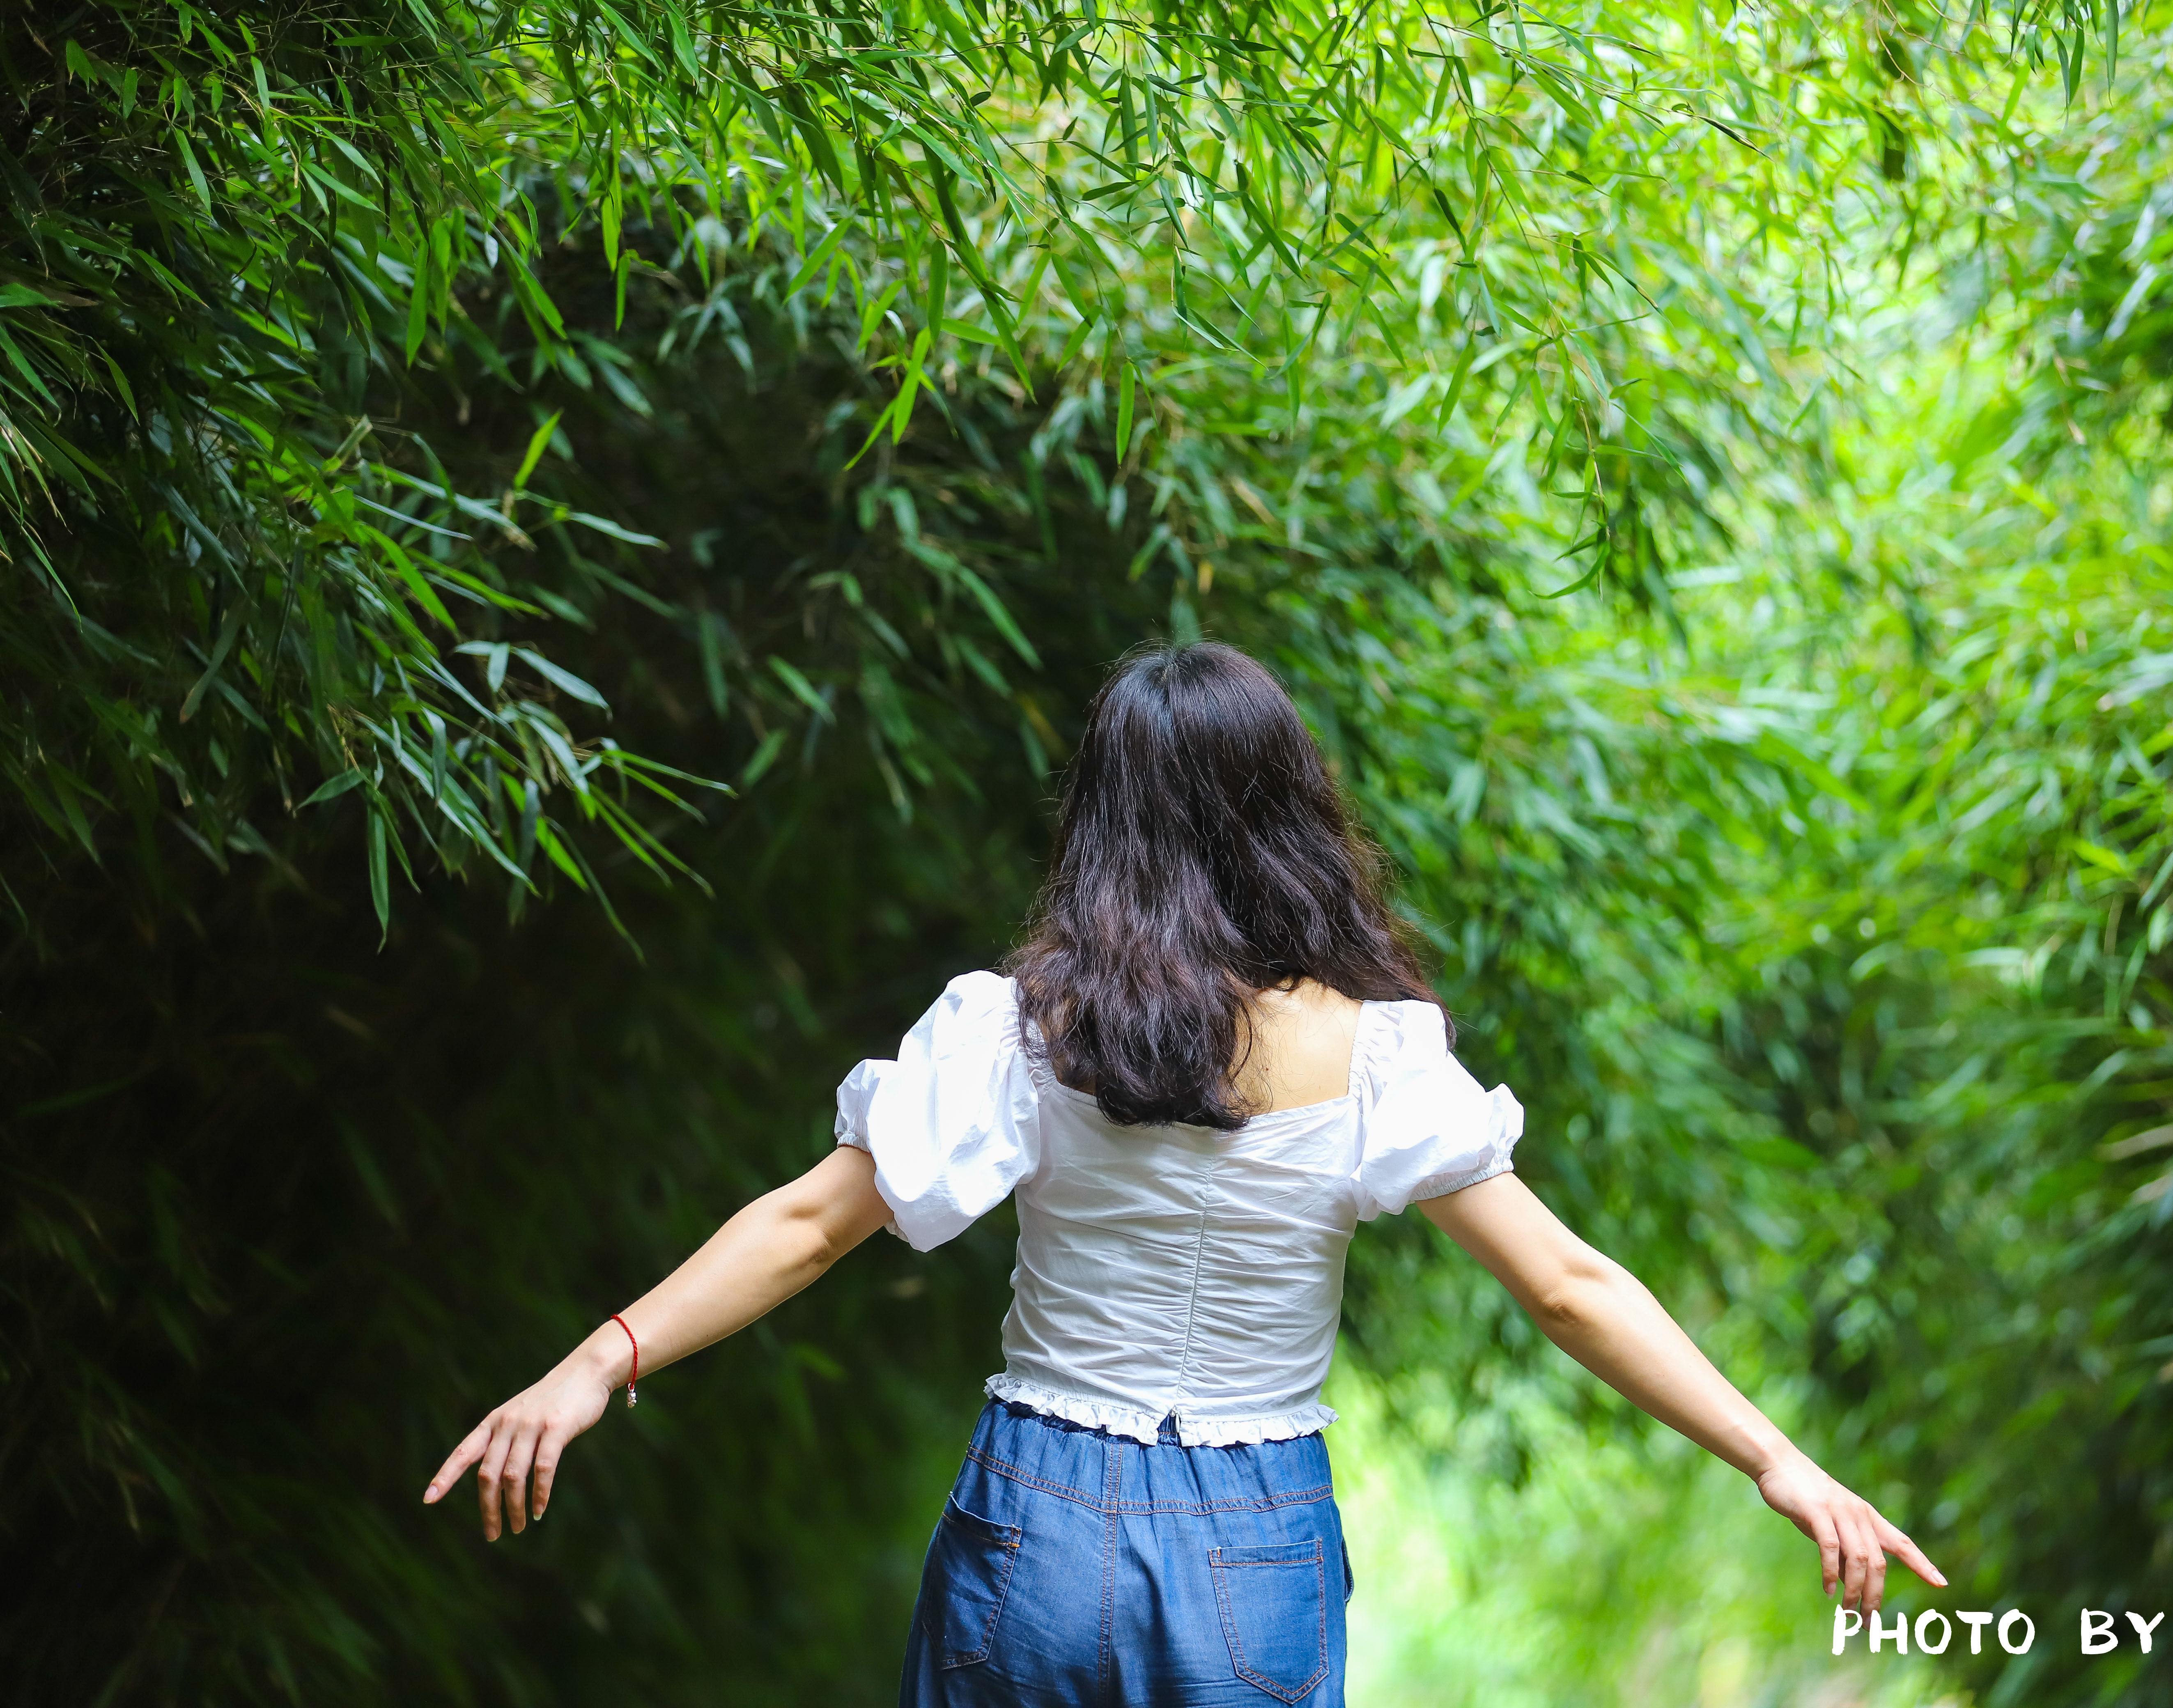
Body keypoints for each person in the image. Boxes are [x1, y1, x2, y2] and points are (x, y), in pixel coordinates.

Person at [425, 641, 1943, 1704]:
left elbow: (813, 1226)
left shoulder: (1022, 1026)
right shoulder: (1376, 1055)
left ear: (1101, 818)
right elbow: (1567, 1287)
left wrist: (594, 1364)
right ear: (1289, 812)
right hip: (1255, 1540)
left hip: (1037, 1521)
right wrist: (1777, 1459)